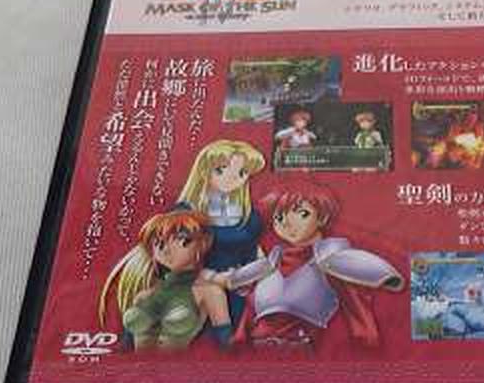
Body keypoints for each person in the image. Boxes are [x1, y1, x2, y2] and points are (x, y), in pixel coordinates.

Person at [212, 184, 403, 349]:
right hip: (260, 352)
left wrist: (365, 347)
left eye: (302, 213)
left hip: (302, 349)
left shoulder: (330, 259)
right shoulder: (271, 263)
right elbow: (249, 310)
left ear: (322, 217)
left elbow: (357, 311)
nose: (287, 224)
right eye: (279, 217)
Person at [98, 210, 231, 350]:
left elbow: (225, 344)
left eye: (182, 241)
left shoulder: (210, 292)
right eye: (159, 243)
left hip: (178, 363)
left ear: (202, 244)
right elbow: (125, 347)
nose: (166, 250)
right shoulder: (145, 295)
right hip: (138, 363)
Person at [174, 139, 266, 319]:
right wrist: (215, 278)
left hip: (242, 293)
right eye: (221, 170)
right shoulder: (185, 213)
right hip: (198, 295)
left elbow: (255, 252)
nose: (232, 178)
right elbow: (176, 262)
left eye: (242, 172)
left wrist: (260, 271)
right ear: (204, 171)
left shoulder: (248, 214)